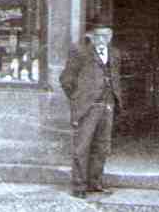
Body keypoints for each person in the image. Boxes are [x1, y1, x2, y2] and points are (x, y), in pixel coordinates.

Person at [59, 20, 123, 199]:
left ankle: (95, 183)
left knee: (102, 146)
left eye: (106, 35)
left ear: (111, 37)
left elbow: (115, 78)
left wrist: (114, 99)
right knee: (82, 146)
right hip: (88, 108)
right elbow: (66, 79)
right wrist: (78, 99)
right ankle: (79, 186)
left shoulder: (115, 54)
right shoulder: (81, 53)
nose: (102, 39)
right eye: (98, 36)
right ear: (91, 37)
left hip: (107, 105)